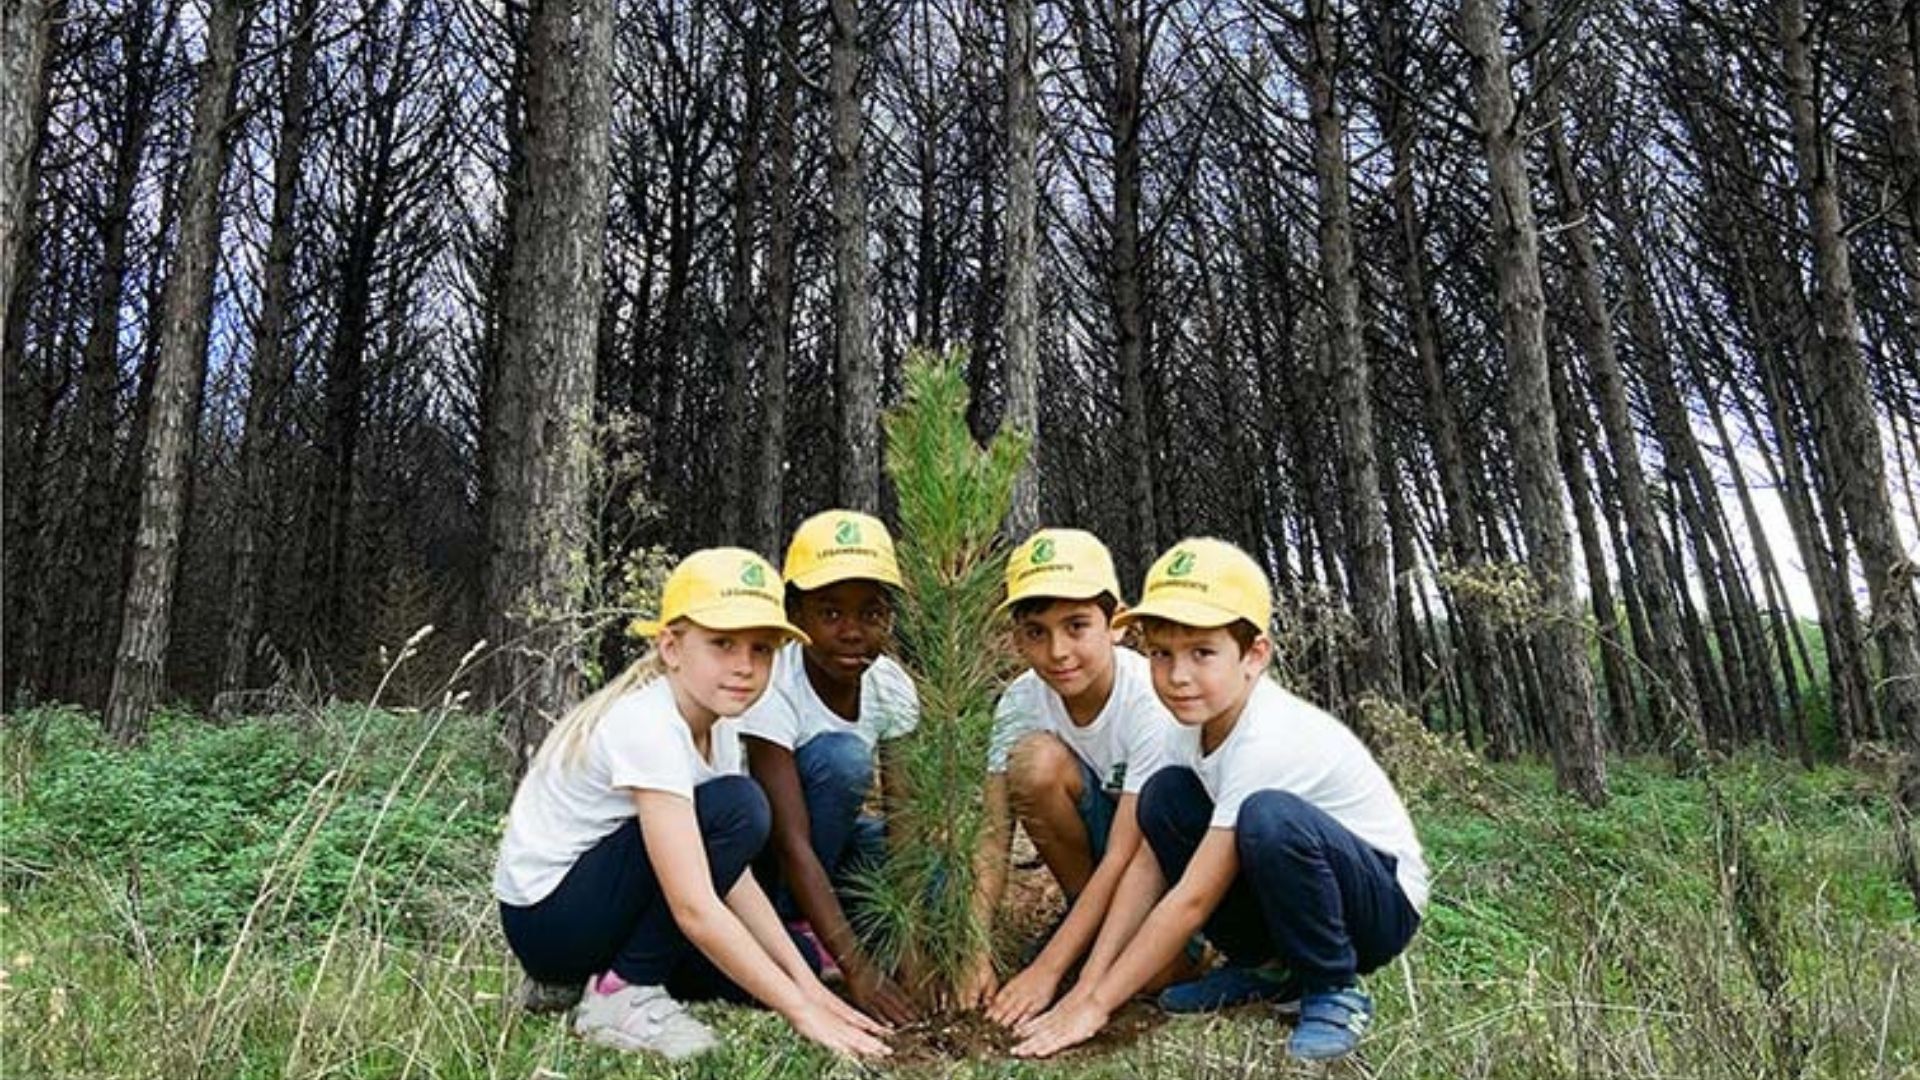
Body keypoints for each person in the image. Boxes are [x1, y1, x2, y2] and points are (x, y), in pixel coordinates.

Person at [1011, 538, 1426, 1063]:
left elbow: (1193, 898)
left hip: (1375, 904)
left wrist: (1093, 1006)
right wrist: (1089, 982)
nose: (1178, 676)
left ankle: (1331, 987)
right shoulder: (1184, 727)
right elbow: (1146, 863)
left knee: (1269, 818)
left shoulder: (1265, 737)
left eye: (1202, 653)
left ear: (1253, 656)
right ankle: (1265, 971)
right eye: (1162, 654)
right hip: (1295, 886)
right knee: (1164, 799)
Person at [493, 547, 891, 1061]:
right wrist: (802, 1013)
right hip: (549, 923)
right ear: (672, 648)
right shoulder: (648, 723)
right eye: (722, 644)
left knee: (788, 965)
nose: (744, 667)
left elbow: (731, 872)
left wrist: (807, 988)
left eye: (762, 649)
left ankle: (593, 981)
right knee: (741, 805)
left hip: (608, 910)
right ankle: (622, 994)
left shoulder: (718, 722)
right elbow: (693, 904)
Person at [957, 528, 1190, 1024]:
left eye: (1077, 626)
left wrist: (1047, 970)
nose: (1058, 651)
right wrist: (975, 951)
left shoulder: (1147, 701)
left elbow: (1128, 854)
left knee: (1154, 977)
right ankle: (1087, 920)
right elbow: (993, 836)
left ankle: (1160, 942)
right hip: (1103, 857)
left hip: (1158, 856)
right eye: (1036, 632)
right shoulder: (1021, 699)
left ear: (1117, 625)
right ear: (1015, 637)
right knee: (1033, 762)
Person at [738, 511, 922, 1024]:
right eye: (831, 613)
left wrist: (908, 936)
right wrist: (859, 970)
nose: (853, 632)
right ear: (794, 614)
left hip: (834, 846)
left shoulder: (892, 687)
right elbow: (792, 842)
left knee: (933, 875)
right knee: (841, 758)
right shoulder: (774, 685)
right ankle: (791, 925)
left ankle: (833, 929)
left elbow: (904, 822)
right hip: (767, 860)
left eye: (872, 613)